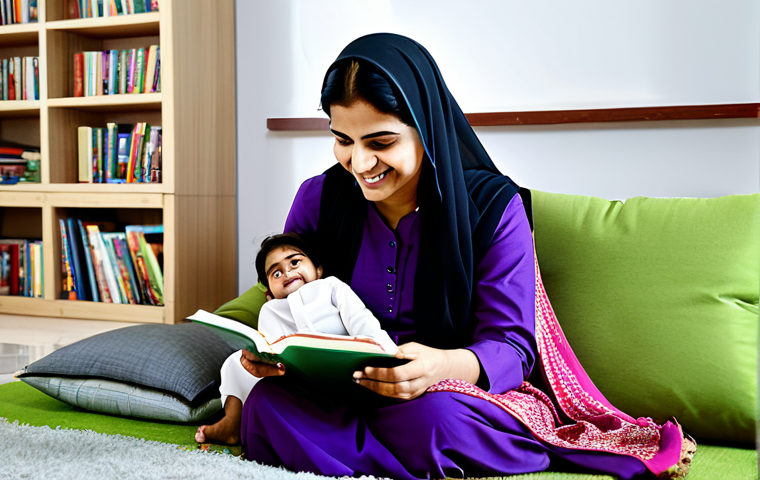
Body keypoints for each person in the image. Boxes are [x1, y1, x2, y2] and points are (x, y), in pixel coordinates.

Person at [229, 34, 695, 479]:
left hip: (446, 392)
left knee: (435, 421)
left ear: (425, 125)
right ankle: (386, 458)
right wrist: (270, 352)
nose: (360, 164)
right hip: (340, 391)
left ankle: (339, 453)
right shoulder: (318, 199)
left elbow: (512, 347)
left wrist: (439, 366)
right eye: (343, 140)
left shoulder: (491, 208)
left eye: (381, 142)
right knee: (269, 405)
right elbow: (283, 296)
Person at [195, 233, 397, 445]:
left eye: (294, 262)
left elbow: (361, 320)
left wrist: (388, 354)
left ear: (318, 269)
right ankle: (232, 421)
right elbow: (270, 356)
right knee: (234, 363)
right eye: (276, 273)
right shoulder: (270, 310)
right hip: (296, 383)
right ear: (269, 293)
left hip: (346, 377)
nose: (287, 272)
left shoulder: (331, 287)